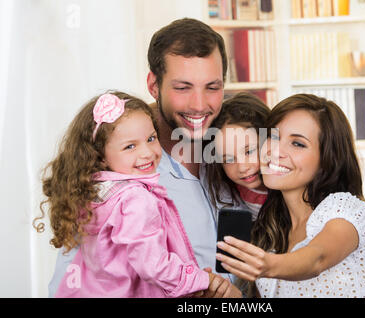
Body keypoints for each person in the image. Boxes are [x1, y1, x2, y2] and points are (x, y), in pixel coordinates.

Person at [47, 18, 241, 298]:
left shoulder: (234, 149)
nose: (200, 105)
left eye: (212, 87)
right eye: (183, 87)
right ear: (153, 84)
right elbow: (73, 286)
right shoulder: (118, 174)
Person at [35, 91, 231, 297]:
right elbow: (153, 264)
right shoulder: (135, 199)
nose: (147, 152)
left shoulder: (93, 193)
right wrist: (198, 279)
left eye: (151, 138)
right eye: (130, 146)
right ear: (100, 156)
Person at [215, 94, 365, 298]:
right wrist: (232, 297)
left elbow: (318, 258)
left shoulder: (346, 210)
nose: (277, 151)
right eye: (274, 137)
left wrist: (268, 265)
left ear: (326, 159)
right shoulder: (271, 234)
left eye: (297, 143)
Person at [205, 92, 270, 220]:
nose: (242, 167)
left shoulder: (289, 185)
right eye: (228, 159)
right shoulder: (234, 189)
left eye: (249, 152)